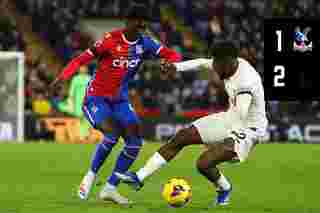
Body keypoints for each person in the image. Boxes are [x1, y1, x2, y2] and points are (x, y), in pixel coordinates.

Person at [50, 4, 181, 205]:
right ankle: (91, 175)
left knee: (135, 141)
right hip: (96, 98)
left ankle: (110, 188)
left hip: (120, 100)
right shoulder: (110, 40)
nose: (144, 25)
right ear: (129, 21)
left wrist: (169, 63)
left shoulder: (146, 43)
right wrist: (62, 77)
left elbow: (172, 55)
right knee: (112, 133)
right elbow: (80, 60)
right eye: (140, 21)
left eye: (145, 22)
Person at [116, 39, 268, 206]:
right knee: (182, 136)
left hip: (249, 128)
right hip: (231, 117)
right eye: (215, 63)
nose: (215, 69)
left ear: (229, 62)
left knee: (204, 163)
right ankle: (139, 177)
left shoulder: (245, 80)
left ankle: (224, 188)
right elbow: (202, 63)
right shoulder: (227, 63)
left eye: (217, 65)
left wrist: (229, 139)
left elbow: (241, 114)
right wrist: (176, 67)